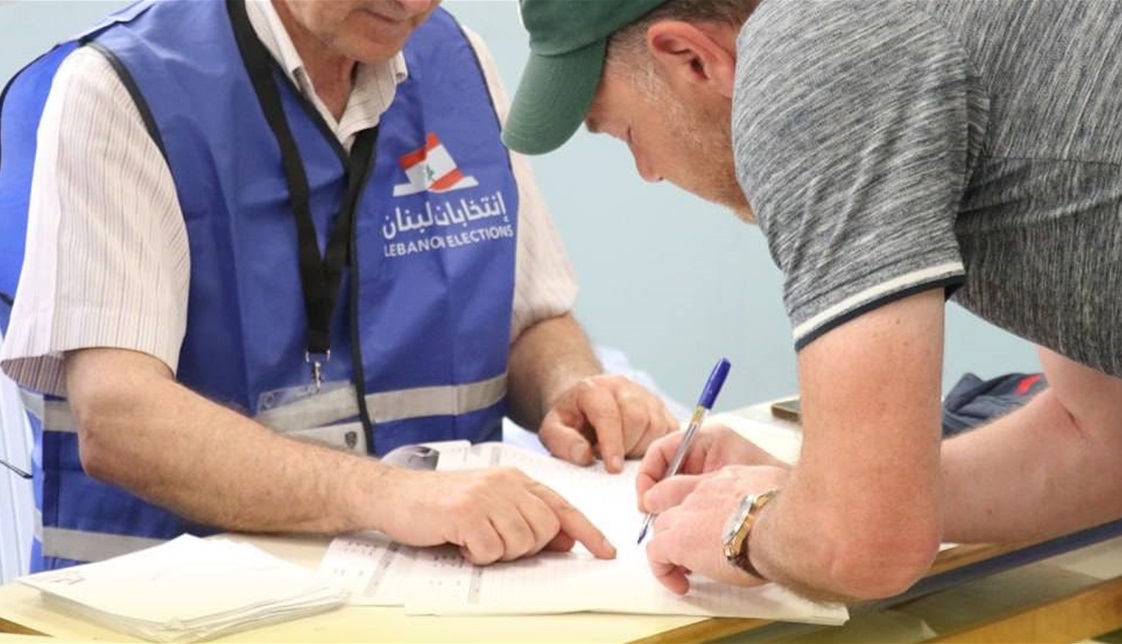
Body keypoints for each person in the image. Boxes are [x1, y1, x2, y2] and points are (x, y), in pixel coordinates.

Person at [501, 0, 1122, 640]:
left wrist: (751, 530)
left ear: (691, 56)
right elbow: (1118, 451)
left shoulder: (808, 55)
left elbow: (861, 546)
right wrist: (804, 493)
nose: (646, 171)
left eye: (623, 133)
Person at [0, 0, 679, 573]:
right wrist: (391, 496)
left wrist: (571, 387)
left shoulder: (459, 61)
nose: (411, 4)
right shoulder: (120, 87)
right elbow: (120, 418)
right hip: (174, 606)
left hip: (430, 595)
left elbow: (530, 319)